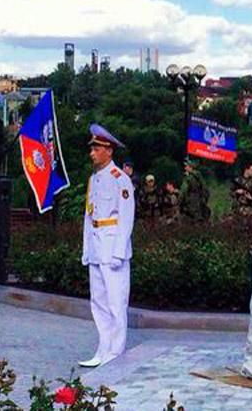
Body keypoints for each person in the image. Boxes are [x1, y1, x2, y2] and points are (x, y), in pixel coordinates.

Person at [79, 124, 135, 368]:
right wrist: (86, 249)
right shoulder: (94, 179)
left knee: (116, 302)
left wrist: (119, 252)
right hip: (96, 248)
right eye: (92, 148)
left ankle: (116, 351)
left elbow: (126, 217)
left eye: (97, 149)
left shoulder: (120, 179)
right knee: (99, 302)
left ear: (109, 151)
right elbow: (89, 216)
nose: (92, 153)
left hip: (112, 249)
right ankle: (103, 349)